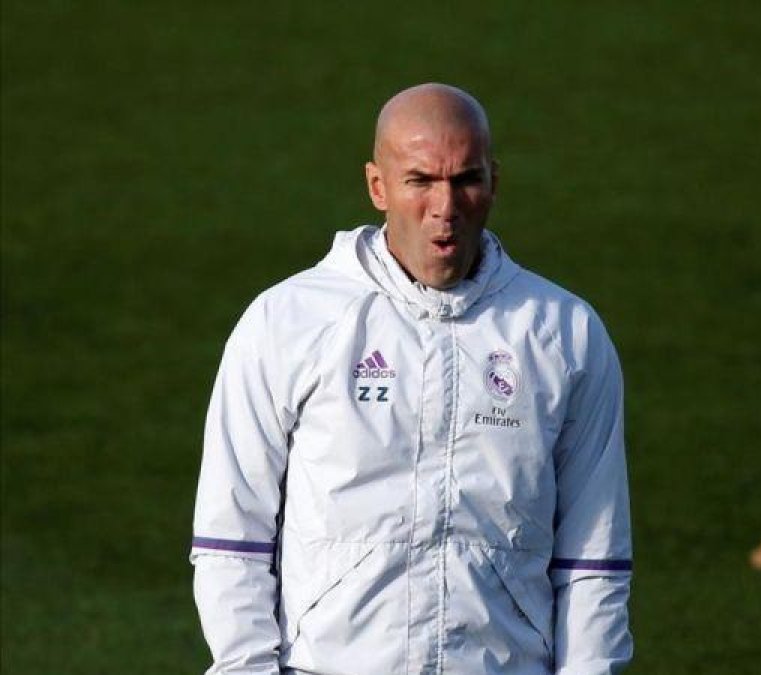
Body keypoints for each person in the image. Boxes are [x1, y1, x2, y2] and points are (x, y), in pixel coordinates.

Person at [190, 83, 633, 675]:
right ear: (378, 186)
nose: (445, 207)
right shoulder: (286, 323)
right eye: (420, 180)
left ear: (494, 183)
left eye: (466, 180)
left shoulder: (565, 335)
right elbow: (232, 537)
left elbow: (593, 556)